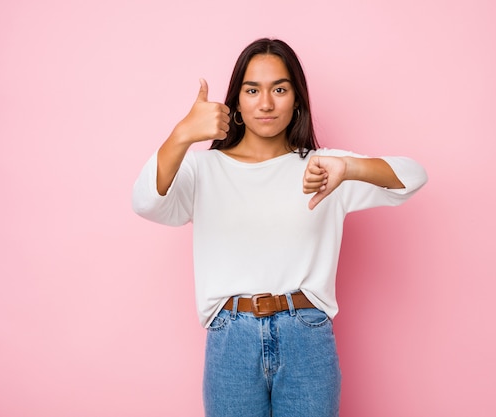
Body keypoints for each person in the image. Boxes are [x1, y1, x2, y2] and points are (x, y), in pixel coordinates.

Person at [132, 38, 427, 417]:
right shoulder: (203, 169)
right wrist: (182, 134)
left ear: (297, 99)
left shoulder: (324, 168)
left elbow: (414, 176)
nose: (266, 103)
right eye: (252, 90)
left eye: (280, 89)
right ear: (236, 101)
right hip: (230, 339)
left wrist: (349, 168)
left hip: (305, 335)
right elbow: (145, 202)